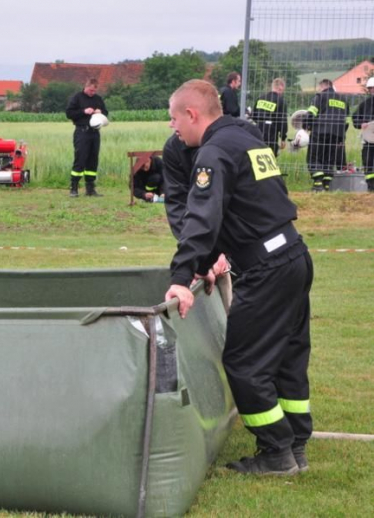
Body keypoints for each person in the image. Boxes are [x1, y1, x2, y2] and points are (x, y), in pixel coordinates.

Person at [165, 79, 313, 476]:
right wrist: (207, 264)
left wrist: (183, 277)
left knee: (244, 362)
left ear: (191, 114)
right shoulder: (247, 139)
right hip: (293, 254)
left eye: (174, 119)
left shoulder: (212, 154)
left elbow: (202, 219)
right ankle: (296, 444)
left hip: (266, 268)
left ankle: (276, 454)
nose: (172, 129)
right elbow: (240, 210)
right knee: (286, 357)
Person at [66, 78, 109, 197]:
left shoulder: (98, 99)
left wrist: (101, 112)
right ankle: (74, 188)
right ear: (86, 86)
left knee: (93, 160)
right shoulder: (77, 97)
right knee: (80, 159)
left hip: (95, 133)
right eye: (91, 90)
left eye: (94, 91)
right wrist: (84, 111)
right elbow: (69, 113)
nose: (92, 93)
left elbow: (106, 114)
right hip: (82, 132)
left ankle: (90, 189)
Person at [305, 79, 349, 191]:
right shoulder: (343, 99)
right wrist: (341, 136)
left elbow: (311, 113)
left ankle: (318, 184)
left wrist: (306, 126)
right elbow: (345, 120)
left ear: (322, 86)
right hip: (337, 135)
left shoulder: (320, 96)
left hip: (320, 132)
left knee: (313, 157)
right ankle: (326, 185)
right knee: (329, 160)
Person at [251, 78, 289, 157]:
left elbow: (254, 115)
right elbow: (282, 121)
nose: (282, 93)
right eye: (282, 90)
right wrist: (283, 138)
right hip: (271, 133)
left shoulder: (260, 98)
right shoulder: (280, 101)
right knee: (270, 156)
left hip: (258, 131)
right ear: (280, 88)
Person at [352, 76, 374, 192]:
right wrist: (361, 124)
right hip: (368, 140)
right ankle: (371, 187)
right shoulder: (365, 104)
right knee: (368, 162)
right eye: (370, 88)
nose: (372, 90)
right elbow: (355, 118)